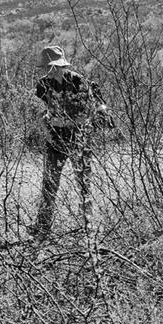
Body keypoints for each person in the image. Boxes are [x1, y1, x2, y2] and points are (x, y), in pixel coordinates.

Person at [31, 44, 106, 239]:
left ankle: (88, 225)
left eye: (51, 66)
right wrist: (46, 128)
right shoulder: (43, 84)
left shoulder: (78, 81)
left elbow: (95, 107)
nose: (50, 70)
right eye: (47, 67)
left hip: (77, 137)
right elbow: (40, 109)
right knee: (49, 183)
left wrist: (84, 128)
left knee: (83, 182)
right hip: (55, 137)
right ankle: (43, 227)